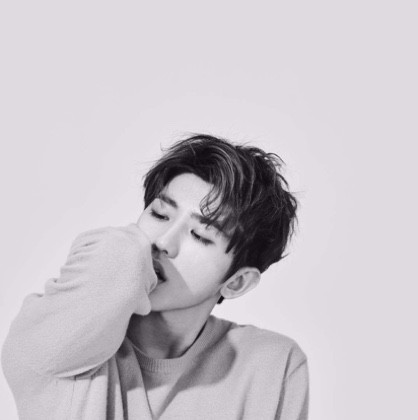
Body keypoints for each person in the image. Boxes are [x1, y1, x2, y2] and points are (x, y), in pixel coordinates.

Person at [1, 134, 309, 419]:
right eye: (159, 214)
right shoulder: (58, 342)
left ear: (236, 282)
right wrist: (131, 252)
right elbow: (118, 253)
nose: (163, 241)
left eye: (200, 235)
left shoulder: (271, 366)